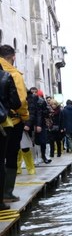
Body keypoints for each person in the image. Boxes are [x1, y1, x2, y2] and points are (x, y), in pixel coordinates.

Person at [0, 45, 29, 203]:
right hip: (11, 121)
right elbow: (21, 101)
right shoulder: (14, 75)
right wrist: (25, 116)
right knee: (10, 156)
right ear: (13, 57)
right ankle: (7, 193)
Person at [0, 64, 22, 210]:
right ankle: (2, 199)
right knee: (1, 161)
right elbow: (16, 102)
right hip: (2, 121)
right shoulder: (6, 75)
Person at [34, 89, 51, 164]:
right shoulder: (32, 101)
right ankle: (40, 157)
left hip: (40, 124)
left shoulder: (41, 102)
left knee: (42, 141)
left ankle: (42, 157)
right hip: (35, 123)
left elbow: (44, 113)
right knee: (37, 142)